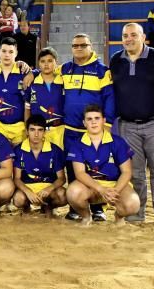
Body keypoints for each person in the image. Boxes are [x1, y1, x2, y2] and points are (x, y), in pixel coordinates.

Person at [110, 23, 154, 228]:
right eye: (125, 35)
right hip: (127, 126)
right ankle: (137, 213)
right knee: (135, 173)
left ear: (143, 37)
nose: (129, 39)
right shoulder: (116, 60)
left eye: (133, 35)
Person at [60, 33, 115, 221]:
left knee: (96, 168)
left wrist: (106, 125)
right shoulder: (65, 69)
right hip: (71, 130)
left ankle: (98, 207)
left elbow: (109, 98)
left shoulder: (102, 71)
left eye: (83, 45)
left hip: (93, 131)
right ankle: (76, 206)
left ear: (91, 46)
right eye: (75, 45)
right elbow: (46, 72)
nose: (79, 48)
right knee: (72, 167)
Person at [65, 104, 140, 226]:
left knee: (133, 204)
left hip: (114, 185)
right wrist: (101, 189)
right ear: (84, 123)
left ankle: (119, 216)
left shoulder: (118, 142)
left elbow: (127, 172)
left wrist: (114, 191)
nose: (93, 122)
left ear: (104, 121)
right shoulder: (77, 144)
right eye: (89, 119)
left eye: (97, 118)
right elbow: (79, 173)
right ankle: (86, 216)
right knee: (73, 192)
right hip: (91, 187)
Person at [12, 115, 67, 217]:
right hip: (28, 186)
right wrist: (28, 192)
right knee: (18, 199)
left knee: (63, 196)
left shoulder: (55, 150)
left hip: (47, 187)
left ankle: (48, 207)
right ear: (27, 132)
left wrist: (49, 188)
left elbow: (62, 179)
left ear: (44, 132)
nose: (36, 134)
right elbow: (16, 178)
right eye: (32, 130)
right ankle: (26, 207)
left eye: (40, 130)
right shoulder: (19, 150)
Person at [0, 37, 27, 145]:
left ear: (16, 53)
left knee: (18, 161)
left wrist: (27, 127)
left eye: (11, 52)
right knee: (0, 160)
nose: (7, 55)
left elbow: (29, 103)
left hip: (19, 128)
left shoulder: (24, 74)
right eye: (4, 51)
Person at [24, 47, 65, 148]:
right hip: (39, 131)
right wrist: (27, 128)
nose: (46, 64)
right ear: (38, 64)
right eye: (43, 61)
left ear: (56, 63)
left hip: (59, 130)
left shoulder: (64, 81)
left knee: (58, 161)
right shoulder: (31, 83)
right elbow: (27, 109)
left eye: (50, 61)